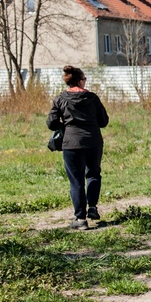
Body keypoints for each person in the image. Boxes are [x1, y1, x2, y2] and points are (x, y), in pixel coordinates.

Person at [46, 65, 109, 230]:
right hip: (93, 142)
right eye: (85, 79)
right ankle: (93, 207)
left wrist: (65, 124)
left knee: (76, 181)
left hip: (71, 143)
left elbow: (51, 123)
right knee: (94, 174)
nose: (85, 81)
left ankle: (80, 219)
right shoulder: (93, 98)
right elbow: (104, 121)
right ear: (80, 81)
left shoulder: (60, 99)